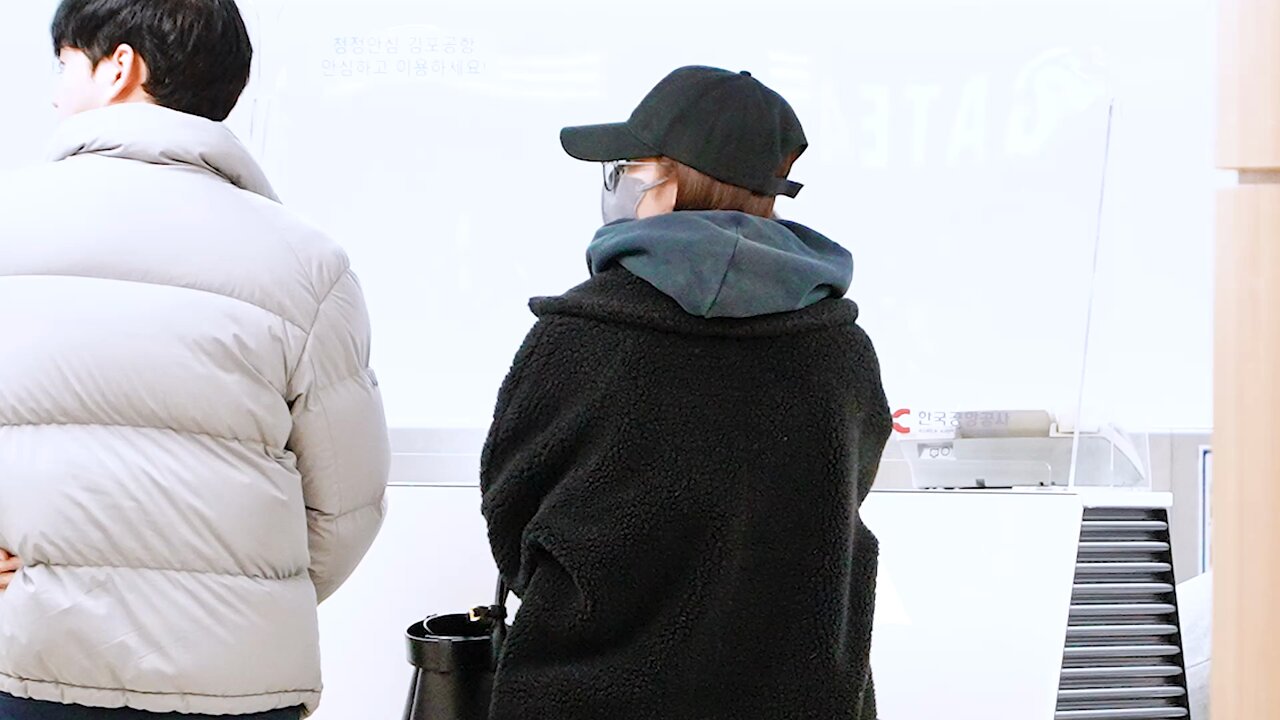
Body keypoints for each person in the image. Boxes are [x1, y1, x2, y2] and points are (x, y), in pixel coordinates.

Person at [0, 1, 390, 717]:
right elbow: (347, 509)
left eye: (65, 64)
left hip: (33, 667)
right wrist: (240, 596)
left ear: (121, 66)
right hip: (236, 683)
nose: (55, 94)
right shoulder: (308, 264)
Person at [480, 65, 891, 720]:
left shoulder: (575, 338)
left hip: (587, 699)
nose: (613, 181)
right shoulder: (841, 352)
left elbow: (513, 520)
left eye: (625, 167)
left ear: (666, 185)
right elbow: (837, 507)